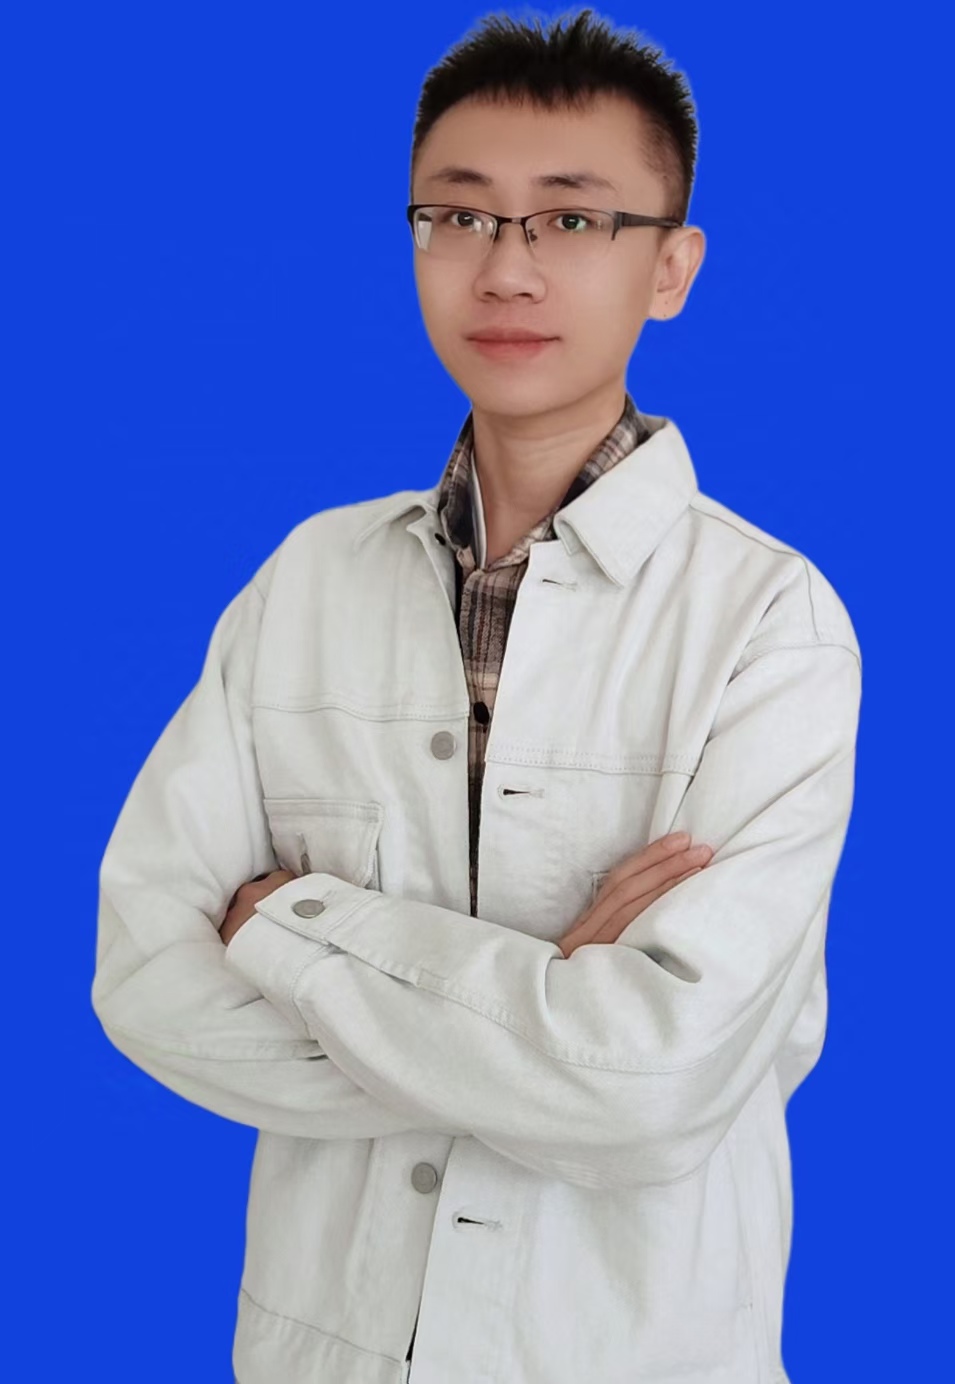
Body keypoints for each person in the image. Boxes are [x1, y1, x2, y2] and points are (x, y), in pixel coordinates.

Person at [91, 8, 862, 1383]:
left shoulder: (770, 622)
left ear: (671, 267)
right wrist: (546, 1008)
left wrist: (294, 926)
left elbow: (654, 1083)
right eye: (458, 216)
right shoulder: (307, 579)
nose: (506, 268)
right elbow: (146, 981)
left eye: (571, 220)